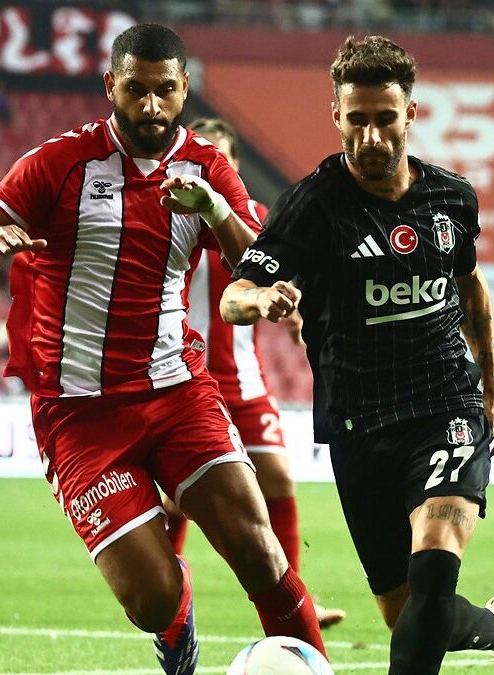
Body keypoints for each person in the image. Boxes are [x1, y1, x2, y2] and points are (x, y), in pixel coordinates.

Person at [0, 23, 326, 675]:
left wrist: (215, 209)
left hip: (177, 393)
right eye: (135, 90)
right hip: (80, 415)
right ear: (110, 85)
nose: (150, 105)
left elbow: (256, 262)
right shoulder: (58, 163)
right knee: (151, 598)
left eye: (164, 90)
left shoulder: (207, 167)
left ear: (184, 89)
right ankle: (175, 617)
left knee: (262, 555)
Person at [222, 36, 494, 675]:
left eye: (385, 118)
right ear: (337, 117)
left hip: (444, 408)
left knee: (433, 573)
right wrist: (259, 299)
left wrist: (490, 388)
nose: (371, 136)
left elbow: (471, 287)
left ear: (411, 115)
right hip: (359, 424)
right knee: (410, 616)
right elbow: (236, 293)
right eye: (358, 119)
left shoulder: (452, 198)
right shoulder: (313, 205)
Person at [163, 116, 346, 628]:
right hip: (184, 373)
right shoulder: (169, 215)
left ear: (236, 166)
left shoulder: (259, 222)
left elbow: (289, 277)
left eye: (222, 158)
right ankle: (171, 604)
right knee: (177, 500)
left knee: (279, 478)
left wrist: (298, 312)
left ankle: (297, 598)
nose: (211, 169)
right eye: (202, 160)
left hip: (244, 379)